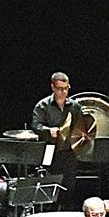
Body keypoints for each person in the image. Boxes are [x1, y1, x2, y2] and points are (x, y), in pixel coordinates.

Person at [31, 72, 85, 209]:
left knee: (69, 189)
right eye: (60, 89)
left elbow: (82, 126)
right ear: (53, 87)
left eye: (66, 88)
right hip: (51, 152)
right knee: (51, 190)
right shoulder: (42, 106)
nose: (64, 91)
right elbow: (36, 125)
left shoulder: (75, 106)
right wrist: (48, 130)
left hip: (69, 153)